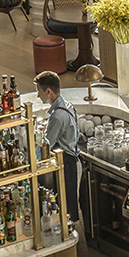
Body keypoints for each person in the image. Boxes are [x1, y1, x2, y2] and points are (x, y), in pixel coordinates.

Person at [34, 70, 82, 225]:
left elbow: (47, 143)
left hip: (67, 163)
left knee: (68, 208)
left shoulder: (57, 116)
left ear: (48, 91)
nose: (38, 95)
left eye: (39, 91)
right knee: (73, 205)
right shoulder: (67, 106)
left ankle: (74, 242)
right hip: (74, 158)